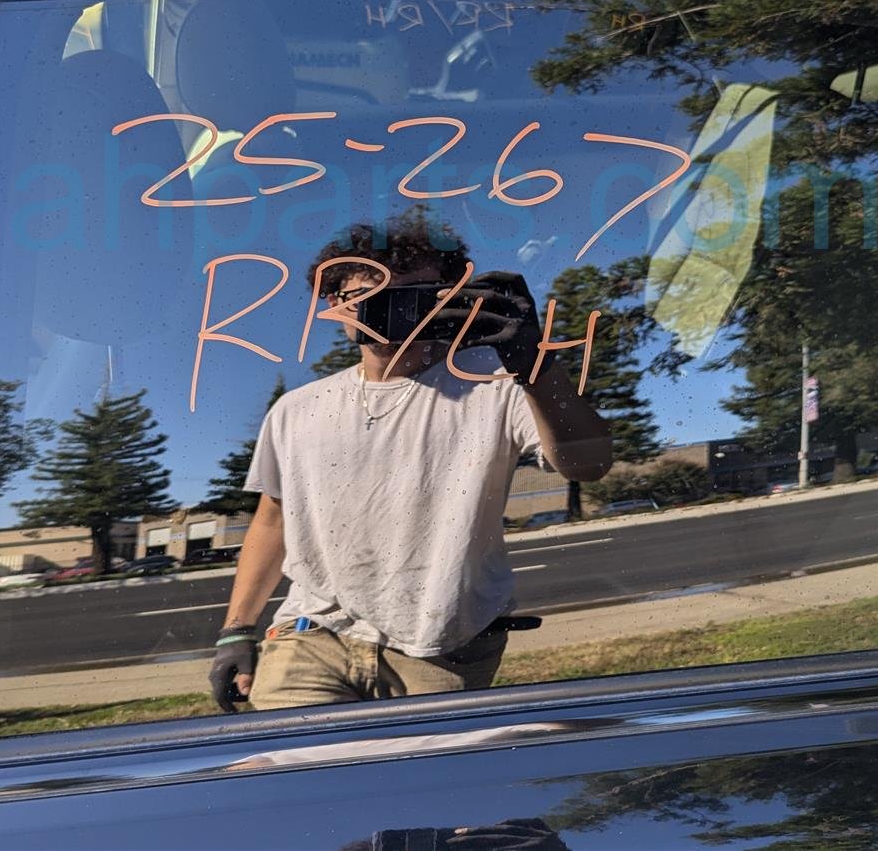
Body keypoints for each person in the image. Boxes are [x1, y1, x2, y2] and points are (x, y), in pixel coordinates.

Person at [209, 210, 613, 712]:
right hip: (310, 635)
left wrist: (534, 362)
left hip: (442, 645)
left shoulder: (499, 382)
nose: (395, 308)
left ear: (450, 299)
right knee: (299, 757)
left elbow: (589, 465)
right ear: (336, 305)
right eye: (371, 294)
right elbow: (273, 521)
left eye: (416, 294)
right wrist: (236, 630)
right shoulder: (296, 410)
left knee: (419, 763)